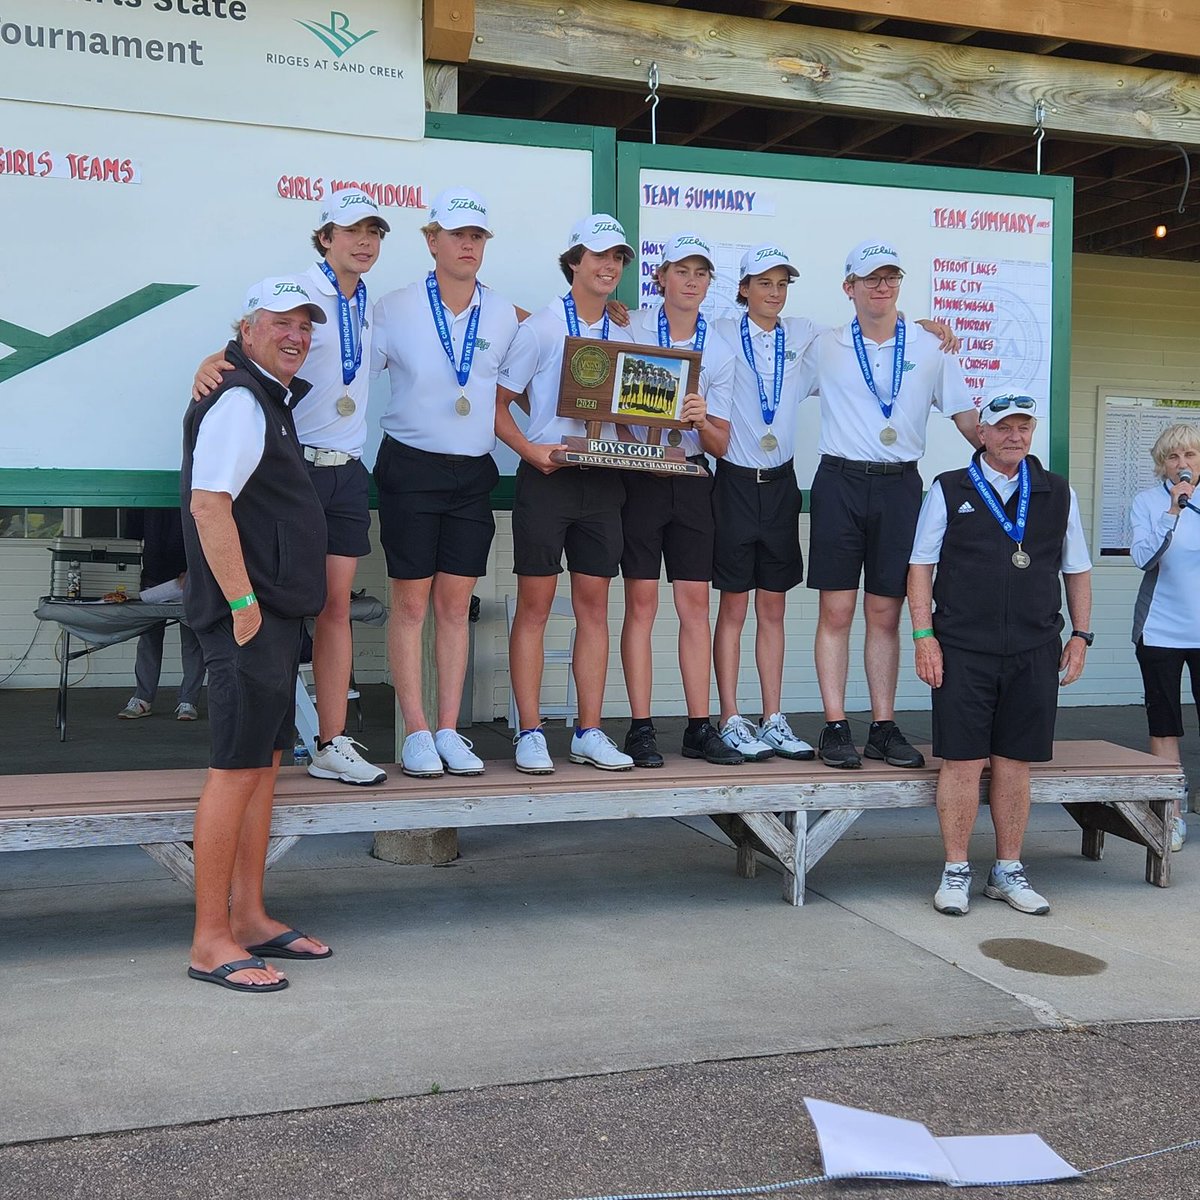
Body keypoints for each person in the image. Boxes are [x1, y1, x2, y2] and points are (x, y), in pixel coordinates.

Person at [193, 187, 390, 786]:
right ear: (325, 237)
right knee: (280, 608)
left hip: (349, 470)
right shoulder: (298, 293)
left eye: (375, 232)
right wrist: (207, 362)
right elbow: (245, 347)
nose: (364, 242)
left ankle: (331, 740)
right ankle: (268, 747)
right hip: (294, 471)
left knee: (335, 608)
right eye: (351, 230)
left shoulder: (375, 304)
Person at [182, 277, 332, 993]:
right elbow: (209, 503)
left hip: (273, 616)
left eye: (306, 325)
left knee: (265, 768)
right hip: (248, 619)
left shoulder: (266, 397)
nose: (297, 335)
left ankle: (250, 917)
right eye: (282, 322)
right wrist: (242, 602)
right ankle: (211, 939)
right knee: (236, 770)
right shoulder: (241, 398)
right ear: (247, 330)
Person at [907, 391, 1093, 917]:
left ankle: (1008, 870)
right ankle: (955, 870)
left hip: (1035, 648)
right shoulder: (949, 488)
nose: (1015, 436)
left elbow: (1076, 568)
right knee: (962, 763)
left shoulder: (1057, 492)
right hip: (963, 648)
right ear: (981, 433)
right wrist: (925, 638)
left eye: (1024, 427)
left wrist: (1081, 635)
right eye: (1004, 427)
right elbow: (920, 565)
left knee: (1015, 764)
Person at [807, 239, 980, 771]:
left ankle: (882, 726)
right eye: (870, 278)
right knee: (836, 611)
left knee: (885, 612)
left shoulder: (931, 347)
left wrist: (1008, 454)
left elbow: (966, 418)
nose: (881, 286)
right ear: (849, 288)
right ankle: (835, 726)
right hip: (838, 482)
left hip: (901, 485)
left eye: (890, 278)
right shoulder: (825, 345)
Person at [371, 188, 520, 777]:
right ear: (432, 241)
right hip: (410, 467)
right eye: (456, 234)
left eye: (476, 236)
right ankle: (416, 730)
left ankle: (451, 730)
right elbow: (341, 363)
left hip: (471, 476)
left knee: (456, 606)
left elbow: (546, 363)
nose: (467, 245)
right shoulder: (393, 306)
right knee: (410, 605)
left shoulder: (506, 314)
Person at [495, 213, 637, 774]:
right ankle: (529, 731)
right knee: (533, 607)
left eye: (618, 258)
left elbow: (631, 417)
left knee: (595, 609)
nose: (609, 266)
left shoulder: (625, 331)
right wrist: (532, 453)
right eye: (599, 255)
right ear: (574, 261)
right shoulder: (541, 327)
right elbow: (499, 404)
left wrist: (642, 440)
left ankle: (589, 730)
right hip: (548, 480)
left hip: (603, 482)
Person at [617, 233, 744, 767]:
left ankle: (698, 724)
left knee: (695, 606)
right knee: (641, 605)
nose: (691, 281)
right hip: (642, 478)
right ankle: (641, 727)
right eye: (681, 271)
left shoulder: (721, 345)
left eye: (701, 273)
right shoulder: (631, 324)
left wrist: (699, 418)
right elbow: (604, 404)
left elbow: (722, 441)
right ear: (660, 277)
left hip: (693, 478)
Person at [709, 244, 819, 763]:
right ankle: (731, 716)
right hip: (732, 480)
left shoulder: (802, 334)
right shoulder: (723, 332)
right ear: (743, 288)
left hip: (781, 484)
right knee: (733, 606)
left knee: (772, 607)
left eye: (782, 284)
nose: (773, 293)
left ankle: (772, 716)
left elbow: (865, 332)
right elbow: (661, 323)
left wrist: (923, 323)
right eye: (764, 283)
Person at [1129, 422, 1200, 853]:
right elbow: (1143, 558)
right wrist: (1173, 511)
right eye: (1173, 457)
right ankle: (1170, 810)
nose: (1182, 464)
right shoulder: (1148, 502)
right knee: (1165, 720)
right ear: (1162, 464)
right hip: (1159, 629)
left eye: (1190, 455)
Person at [116, 507, 206, 722]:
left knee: (192, 642)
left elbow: (207, 531)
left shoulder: (192, 485)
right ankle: (142, 698)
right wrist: (127, 579)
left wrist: (196, 571)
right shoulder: (144, 493)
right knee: (149, 640)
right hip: (153, 576)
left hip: (189, 577)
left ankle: (189, 701)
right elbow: (130, 541)